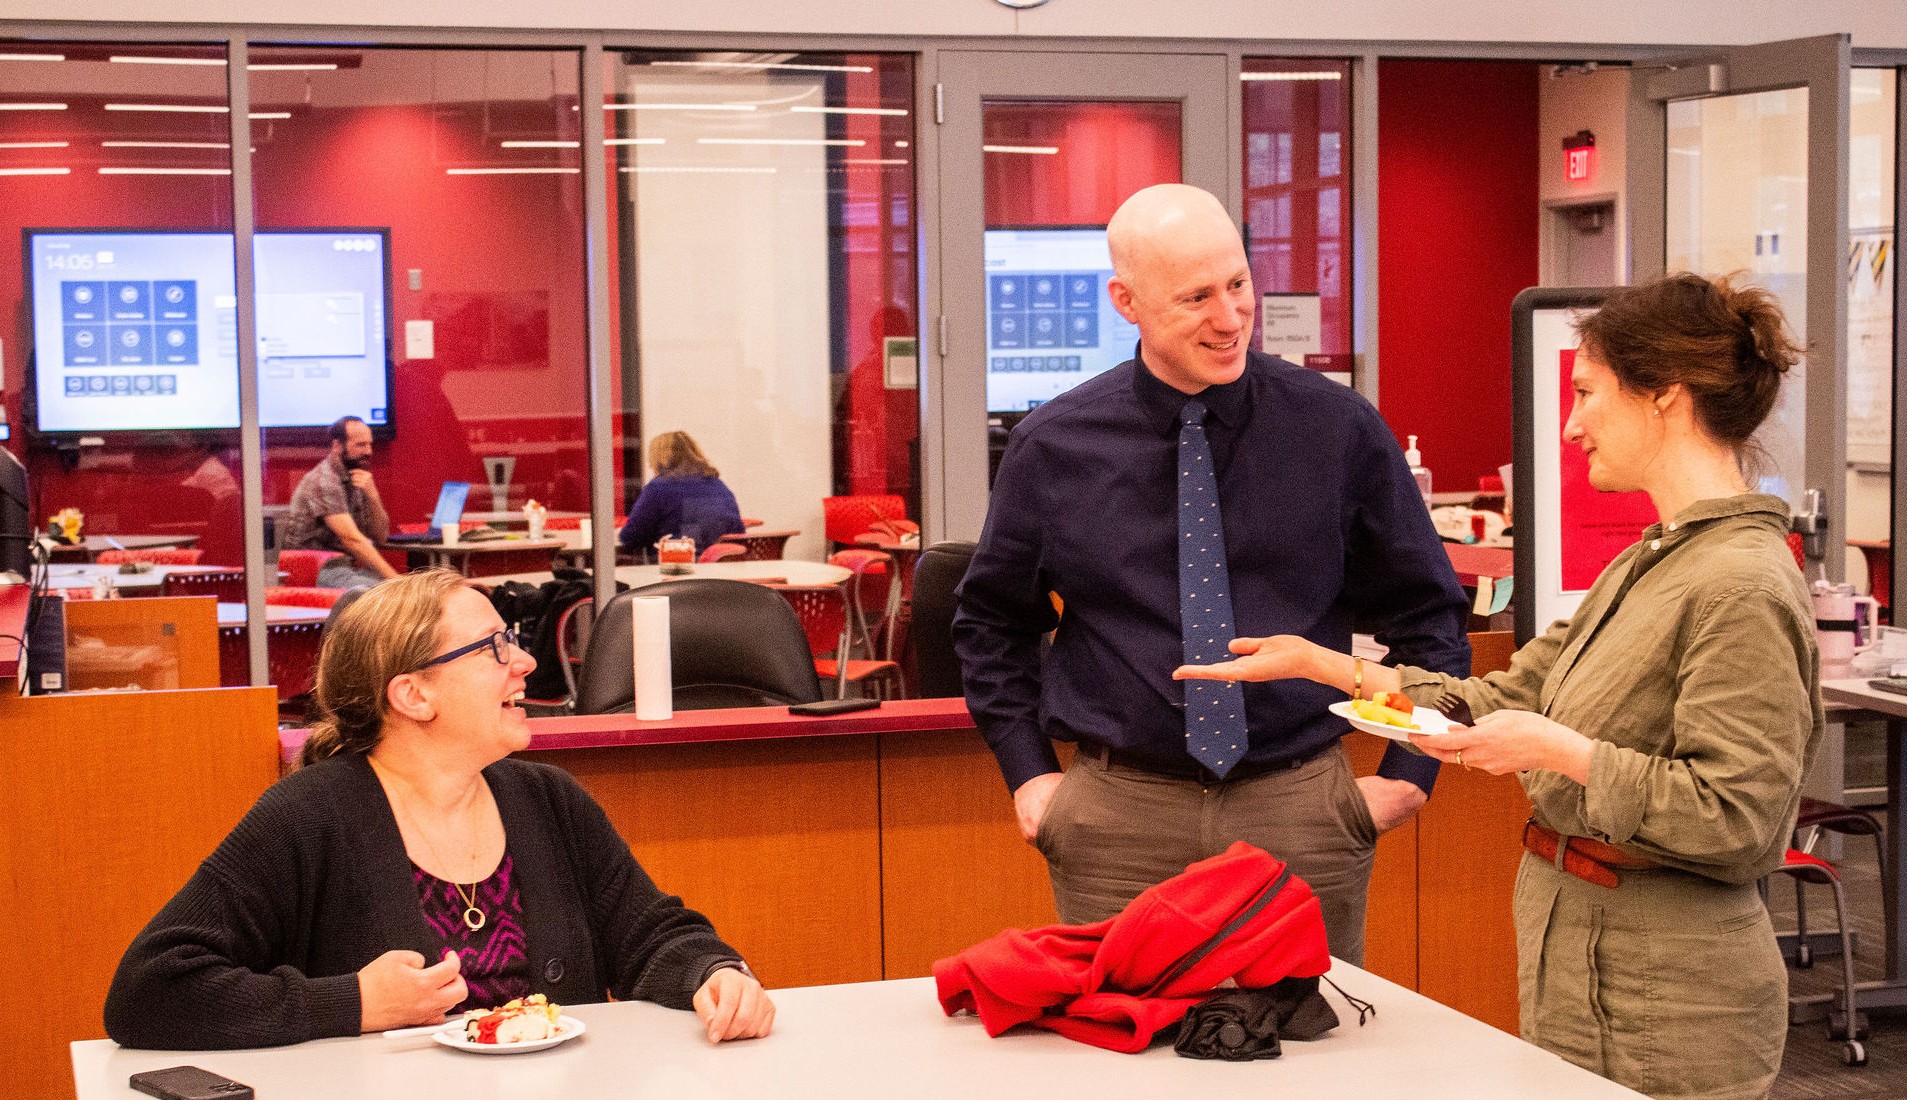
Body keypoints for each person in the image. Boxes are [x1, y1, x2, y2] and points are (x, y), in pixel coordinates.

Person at [1176, 273, 1821, 1100]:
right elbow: (1495, 700)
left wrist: (1563, 752)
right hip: (1581, 956)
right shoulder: (1651, 561)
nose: (1571, 424)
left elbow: (1735, 817)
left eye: (1586, 392)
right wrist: (1325, 665)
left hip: (1670, 992)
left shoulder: (1739, 586)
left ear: (1664, 394)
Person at [952, 183, 1470, 965]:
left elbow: (1428, 616)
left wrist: (1406, 774)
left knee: (1310, 1040)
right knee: (1121, 1036)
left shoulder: (1337, 428)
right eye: (1195, 298)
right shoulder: (1054, 446)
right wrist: (1028, 776)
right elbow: (991, 622)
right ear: (1125, 302)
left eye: (1237, 284)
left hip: (1300, 806)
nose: (1229, 319)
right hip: (1118, 818)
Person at [104, 569, 775, 1050]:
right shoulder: (306, 817)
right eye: (494, 648)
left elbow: (651, 935)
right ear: (413, 696)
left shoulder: (548, 799)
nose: (525, 662)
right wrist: (352, 1002)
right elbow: (149, 991)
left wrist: (711, 972)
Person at [283, 415, 401, 588]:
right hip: (317, 570)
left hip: (345, 568)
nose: (369, 451)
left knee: (389, 590)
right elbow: (351, 539)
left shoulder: (355, 476)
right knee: (385, 594)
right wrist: (398, 582)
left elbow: (380, 537)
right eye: (361, 445)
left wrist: (373, 496)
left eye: (370, 444)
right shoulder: (324, 480)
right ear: (337, 445)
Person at [617, 431, 746, 559]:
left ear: (658, 459)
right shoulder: (719, 486)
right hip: (720, 567)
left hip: (678, 566)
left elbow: (630, 537)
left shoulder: (658, 488)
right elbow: (738, 533)